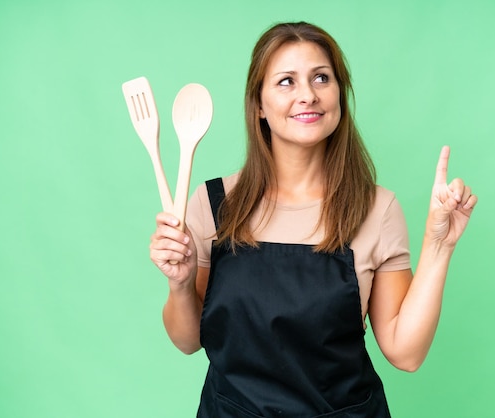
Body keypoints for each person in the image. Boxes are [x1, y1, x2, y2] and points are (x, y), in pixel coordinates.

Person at [149, 21, 477, 418]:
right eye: (286, 81)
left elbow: (405, 353)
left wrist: (439, 244)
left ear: (339, 93)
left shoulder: (376, 209)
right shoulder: (215, 203)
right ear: (259, 105)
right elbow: (187, 341)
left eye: (321, 78)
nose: (308, 95)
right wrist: (180, 285)